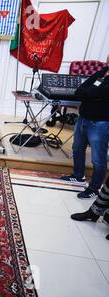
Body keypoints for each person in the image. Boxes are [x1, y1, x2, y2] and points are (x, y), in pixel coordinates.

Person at [60, 55, 109, 199]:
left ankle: (94, 189)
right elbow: (80, 90)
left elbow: (95, 92)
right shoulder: (102, 72)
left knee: (98, 159)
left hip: (100, 123)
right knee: (77, 148)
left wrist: (89, 94)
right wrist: (91, 95)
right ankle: (78, 175)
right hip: (83, 118)